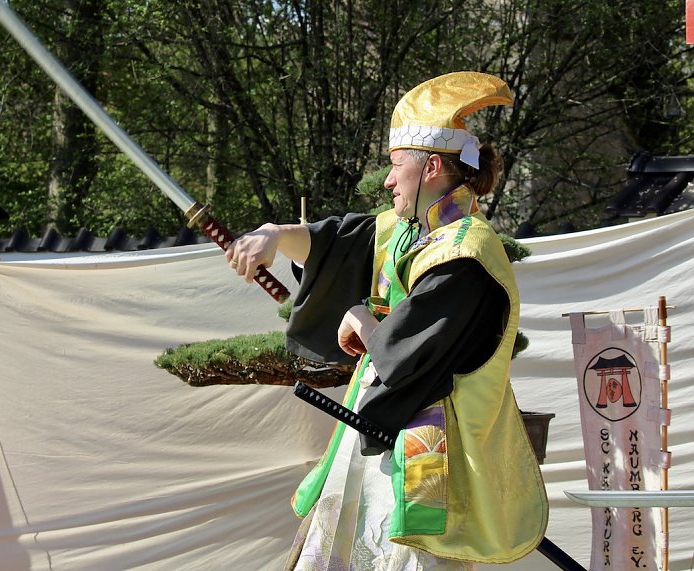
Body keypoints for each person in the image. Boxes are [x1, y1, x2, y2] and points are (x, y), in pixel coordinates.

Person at [225, 72, 548, 570]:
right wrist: (272, 234)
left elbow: (405, 357)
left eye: (397, 165)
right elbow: (335, 243)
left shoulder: (465, 251)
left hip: (429, 451)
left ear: (432, 166)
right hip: (382, 430)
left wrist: (360, 316)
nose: (388, 180)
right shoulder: (408, 230)